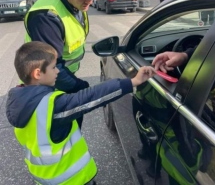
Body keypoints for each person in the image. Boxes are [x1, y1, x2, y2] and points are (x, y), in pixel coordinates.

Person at [6, 41, 156, 185]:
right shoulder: (52, 106)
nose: (58, 71)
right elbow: (91, 97)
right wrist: (132, 82)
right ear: (38, 73)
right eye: (53, 67)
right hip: (72, 180)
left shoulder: (19, 99)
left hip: (44, 179)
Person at [24, 0, 106, 96]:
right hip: (48, 86)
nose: (89, 1)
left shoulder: (74, 1)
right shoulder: (45, 17)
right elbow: (50, 67)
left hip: (62, 77)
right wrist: (81, 89)